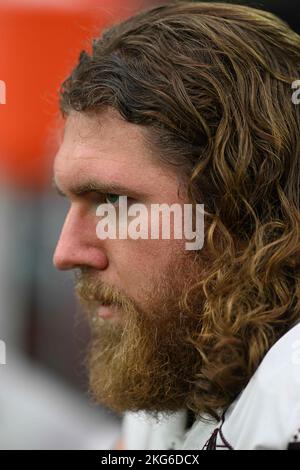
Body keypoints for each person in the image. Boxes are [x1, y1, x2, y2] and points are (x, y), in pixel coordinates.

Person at [52, 1, 300, 450]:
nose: (66, 252)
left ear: (238, 206)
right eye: (69, 202)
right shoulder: (180, 345)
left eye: (115, 201)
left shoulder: (290, 394)